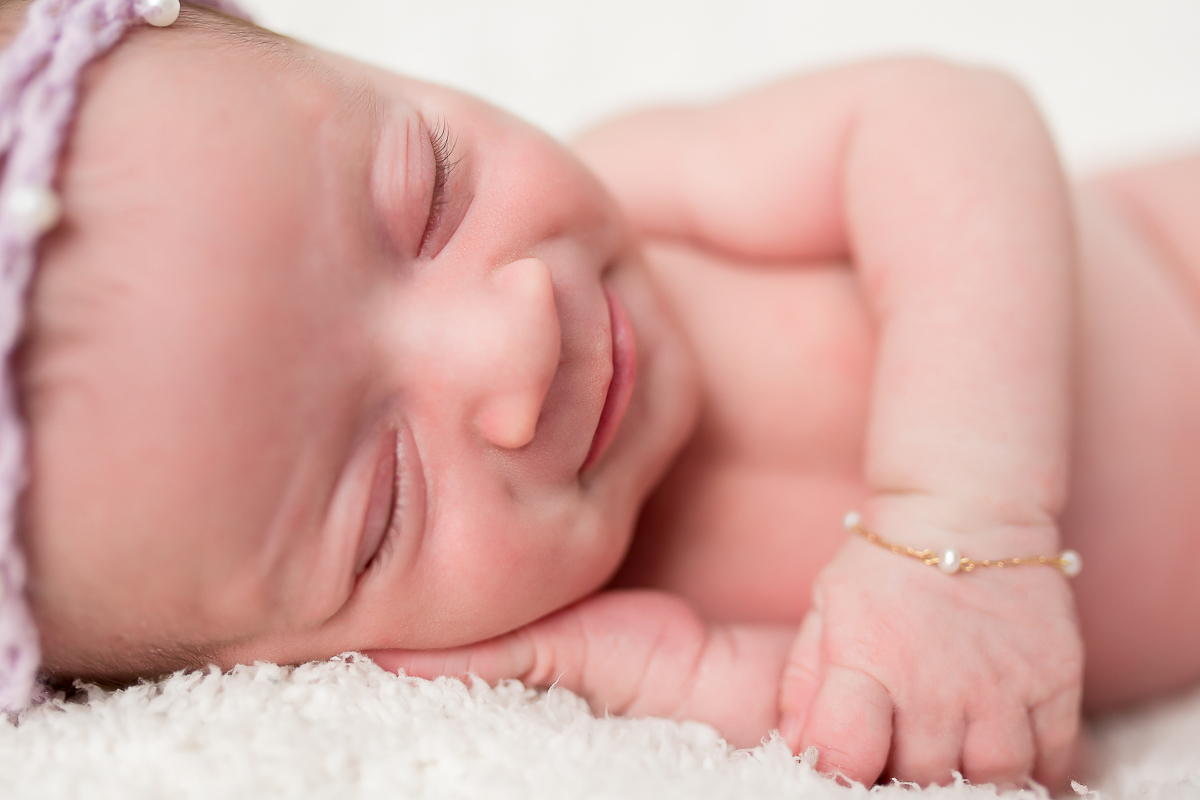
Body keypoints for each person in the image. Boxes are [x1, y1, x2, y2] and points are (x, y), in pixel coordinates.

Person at [3, 0, 1199, 791]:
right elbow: (891, 725)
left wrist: (966, 511)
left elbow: (946, 116)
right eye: (386, 501)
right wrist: (949, 708)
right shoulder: (563, 634)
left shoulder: (661, 183)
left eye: (431, 191)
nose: (518, 345)